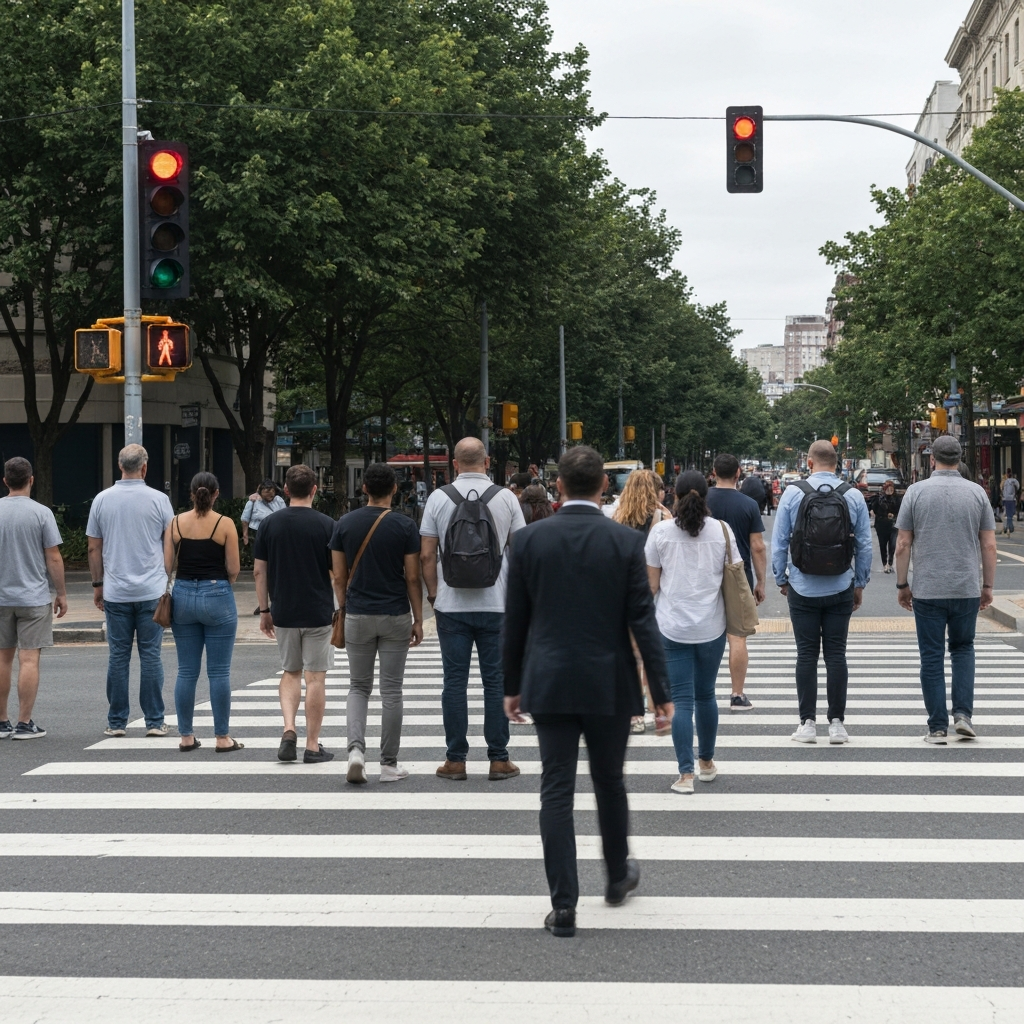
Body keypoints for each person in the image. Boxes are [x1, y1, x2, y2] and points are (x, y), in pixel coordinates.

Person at [503, 446, 672, 938]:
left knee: (555, 788)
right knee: (609, 782)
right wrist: (660, 690)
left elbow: (515, 622)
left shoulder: (529, 541)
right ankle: (617, 876)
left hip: (550, 679)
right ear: (604, 487)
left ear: (558, 486)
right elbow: (643, 620)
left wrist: (511, 685)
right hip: (610, 680)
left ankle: (564, 905)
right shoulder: (623, 541)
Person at [420, 437, 526, 780]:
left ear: (454, 464)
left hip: (451, 607)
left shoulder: (438, 498)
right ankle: (498, 758)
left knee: (454, 682)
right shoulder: (507, 498)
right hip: (497, 606)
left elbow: (425, 554)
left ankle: (455, 759)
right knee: (495, 682)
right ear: (488, 461)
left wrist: (435, 596)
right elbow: (521, 552)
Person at [895, 435, 997, 743]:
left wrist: (902, 584)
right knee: (964, 649)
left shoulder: (916, 492)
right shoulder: (977, 493)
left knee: (931, 655)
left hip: (928, 588)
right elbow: (989, 544)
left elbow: (902, 544)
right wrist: (988, 585)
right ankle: (963, 715)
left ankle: (937, 726)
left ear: (932, 458)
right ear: (960, 458)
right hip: (965, 586)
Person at [771, 440, 872, 745]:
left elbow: (779, 543)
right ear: (838, 463)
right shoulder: (853, 495)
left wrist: (782, 578)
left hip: (802, 586)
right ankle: (838, 724)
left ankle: (807, 723)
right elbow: (865, 546)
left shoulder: (793, 493)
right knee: (836, 654)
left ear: (809, 463)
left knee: (806, 655)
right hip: (841, 584)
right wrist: (859, 583)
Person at [646, 470, 740, 794]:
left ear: (675, 494)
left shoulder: (660, 532)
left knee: (682, 701)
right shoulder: (722, 531)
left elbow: (653, 585)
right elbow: (733, 574)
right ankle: (707, 763)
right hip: (711, 627)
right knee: (706, 695)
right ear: (706, 494)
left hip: (671, 627)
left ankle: (685, 775)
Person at [331, 462, 423, 784]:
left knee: (358, 687)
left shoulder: (344, 524)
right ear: (395, 489)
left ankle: (356, 752)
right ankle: (388, 764)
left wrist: (344, 608)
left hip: (356, 614)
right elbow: (413, 577)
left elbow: (339, 576)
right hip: (396, 614)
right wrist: (419, 618)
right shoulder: (405, 526)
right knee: (392, 690)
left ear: (364, 488)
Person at [87, 444, 175, 737]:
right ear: (145, 467)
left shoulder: (101, 500)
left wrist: (98, 584)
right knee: (151, 655)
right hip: (151, 590)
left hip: (116, 590)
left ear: (119, 465)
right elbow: (170, 543)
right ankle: (153, 721)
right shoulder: (160, 500)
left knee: (118, 656)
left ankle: (116, 722)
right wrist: (165, 579)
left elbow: (93, 547)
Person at [254, 464, 336, 764]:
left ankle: (289, 728)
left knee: (291, 672)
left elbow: (259, 571)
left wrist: (265, 610)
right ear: (314, 489)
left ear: (285, 490)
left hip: (283, 609)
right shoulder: (327, 525)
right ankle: (313, 746)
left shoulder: (269, 525)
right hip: (318, 609)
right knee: (316, 678)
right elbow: (336, 573)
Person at [165, 472, 243, 753]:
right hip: (217, 594)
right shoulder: (225, 524)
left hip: (183, 595)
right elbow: (233, 568)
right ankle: (222, 737)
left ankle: (186, 735)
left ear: (191, 493)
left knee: (186, 671)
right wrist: (222, 583)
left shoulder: (175, 523)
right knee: (219, 671)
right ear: (216, 493)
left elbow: (167, 566)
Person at [0, 457, 67, 740]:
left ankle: (1, 722)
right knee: (29, 659)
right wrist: (61, 593)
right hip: (33, 597)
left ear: (5, 481)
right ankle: (24, 723)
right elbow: (53, 556)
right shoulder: (42, 513)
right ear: (31, 480)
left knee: (3, 659)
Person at [613, 470, 672, 734]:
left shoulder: (617, 515)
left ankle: (633, 714)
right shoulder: (661, 516)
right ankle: (654, 710)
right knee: (650, 653)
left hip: (620, 589)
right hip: (652, 591)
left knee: (629, 655)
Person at [706, 454, 766, 712]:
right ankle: (737, 694)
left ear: (713, 472)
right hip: (739, 575)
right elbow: (757, 546)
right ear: (738, 473)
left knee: (703, 636)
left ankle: (701, 692)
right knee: (737, 636)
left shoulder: (701, 499)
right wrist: (761, 581)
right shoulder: (749, 504)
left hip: (703, 573)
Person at [241, 480, 286, 613]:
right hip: (259, 536)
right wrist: (245, 536)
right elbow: (245, 519)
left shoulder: (279, 501)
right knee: (261, 571)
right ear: (260, 491)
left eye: (272, 490)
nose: (270, 493)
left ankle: (275, 601)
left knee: (276, 570)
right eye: (267, 490)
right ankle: (262, 604)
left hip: (277, 538)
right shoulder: (253, 502)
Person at [869, 479, 901, 574]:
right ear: (885, 489)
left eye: (891, 489)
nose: (890, 491)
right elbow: (873, 510)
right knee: (883, 545)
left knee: (892, 545)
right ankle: (885, 564)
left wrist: (894, 516)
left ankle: (890, 563)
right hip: (881, 525)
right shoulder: (878, 499)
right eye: (888, 489)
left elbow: (900, 511)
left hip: (893, 525)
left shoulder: (897, 499)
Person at [1001, 469, 1019, 534]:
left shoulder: (1005, 482)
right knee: (1010, 514)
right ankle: (1010, 527)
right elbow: (1018, 488)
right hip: (1012, 499)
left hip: (1006, 499)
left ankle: (1006, 527)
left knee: (1006, 513)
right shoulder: (1015, 481)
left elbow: (1002, 489)